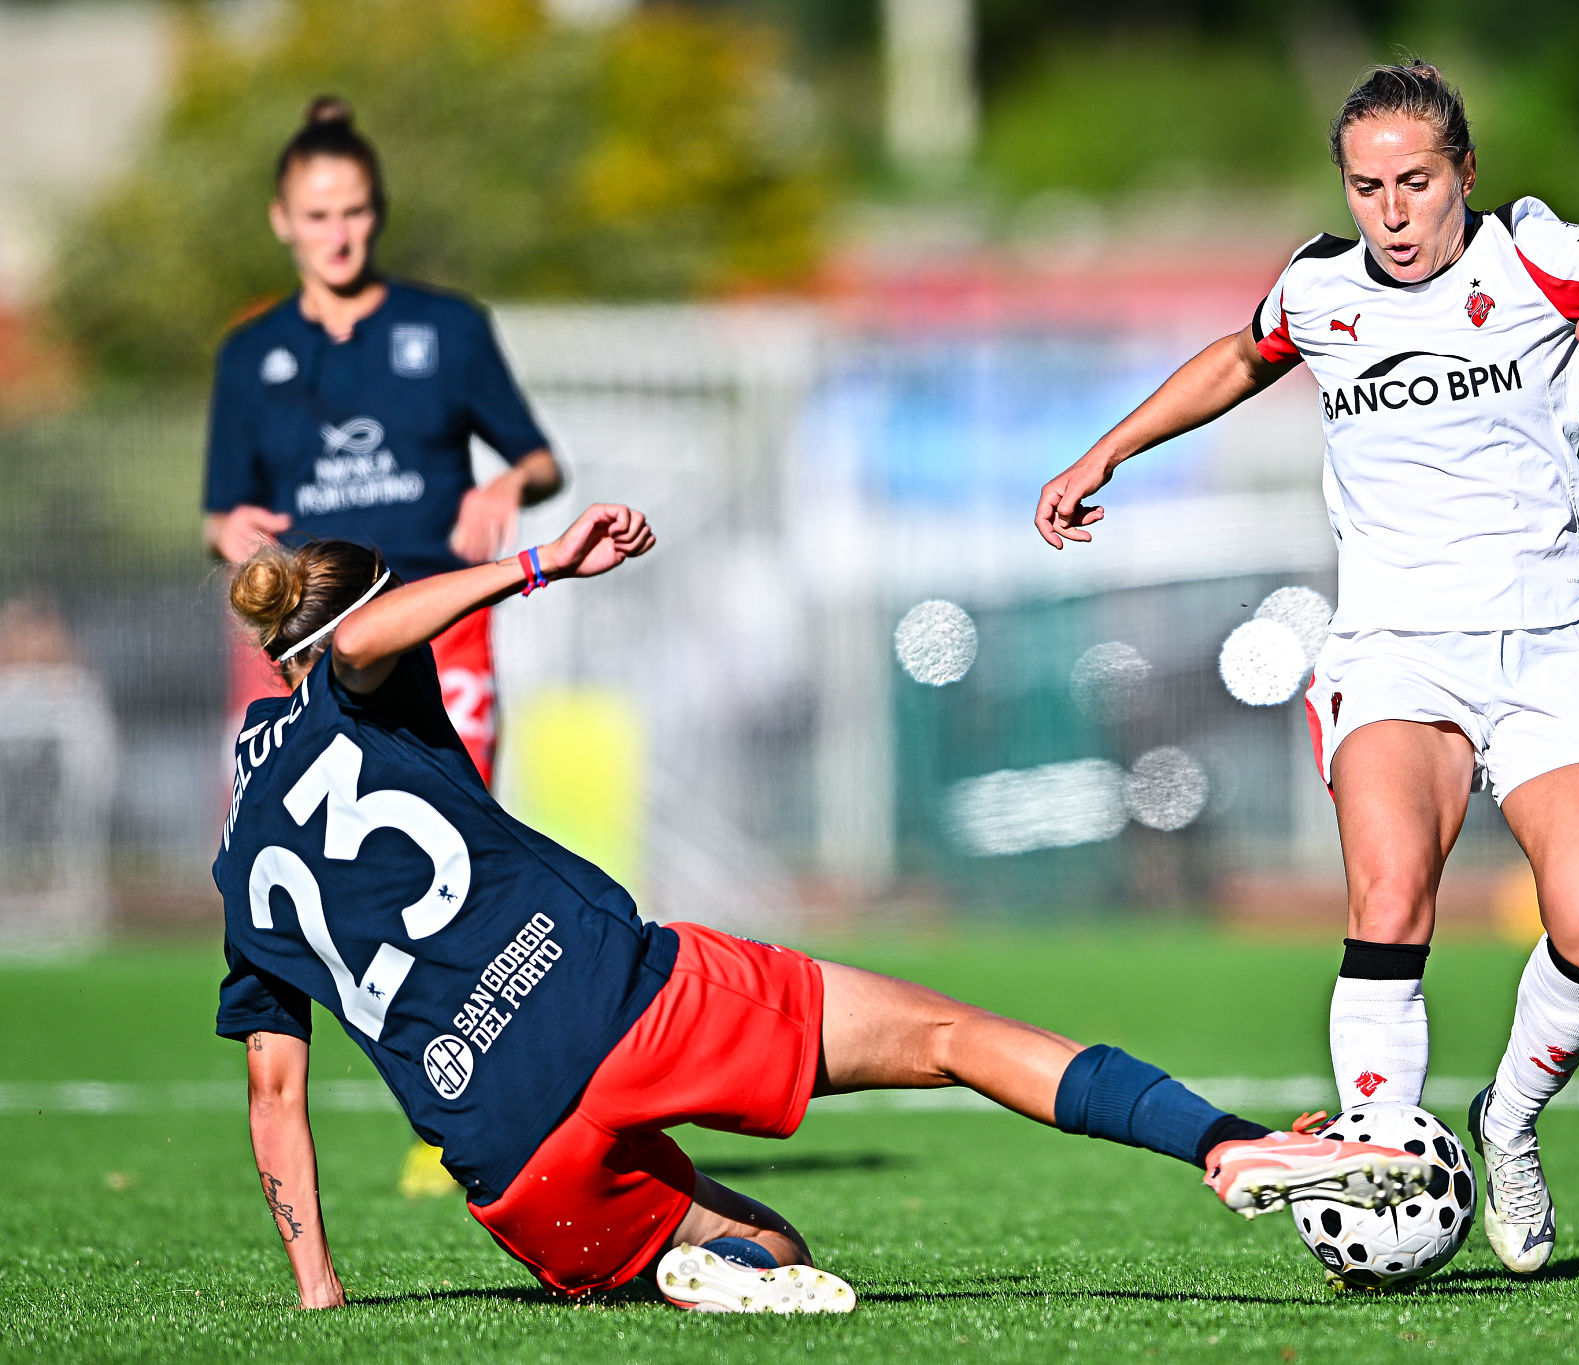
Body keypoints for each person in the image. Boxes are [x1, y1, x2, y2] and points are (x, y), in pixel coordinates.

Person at [215, 503, 1431, 1314]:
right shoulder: (358, 689)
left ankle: (702, 1271)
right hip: (614, 1000)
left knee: (774, 1252)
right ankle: (1221, 1143)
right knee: (955, 1038)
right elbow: (368, 639)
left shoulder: (239, 859)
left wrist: (319, 1297)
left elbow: (277, 1096)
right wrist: (535, 567)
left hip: (513, 1165)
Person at [1036, 61, 1579, 1276]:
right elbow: (1237, 355)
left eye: (1414, 184)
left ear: (1463, 178)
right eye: (1366, 185)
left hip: (1546, 649)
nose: (1390, 210)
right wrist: (1103, 453)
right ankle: (1376, 1173)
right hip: (1391, 650)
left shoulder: (1533, 256)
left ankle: (1508, 1124)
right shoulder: (1319, 286)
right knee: (1387, 906)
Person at [204, 96, 563, 791]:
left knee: (457, 838)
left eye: (354, 212)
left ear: (378, 211)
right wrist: (229, 530)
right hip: (301, 644)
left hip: (440, 623)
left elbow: (540, 461)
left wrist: (510, 482)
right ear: (283, 220)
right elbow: (223, 513)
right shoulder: (250, 355)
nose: (337, 235)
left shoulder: (450, 328)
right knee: (307, 849)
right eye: (317, 216)